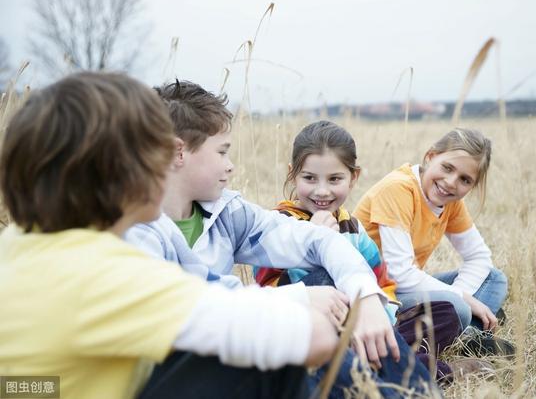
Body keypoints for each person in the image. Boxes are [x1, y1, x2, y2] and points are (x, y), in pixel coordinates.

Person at [0, 72, 339, 399]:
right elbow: (314, 337)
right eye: (155, 151)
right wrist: (301, 300)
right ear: (121, 173)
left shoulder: (18, 244)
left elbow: (22, 385)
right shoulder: (104, 274)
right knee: (268, 362)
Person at [124, 80, 432, 395]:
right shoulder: (134, 231)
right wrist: (297, 299)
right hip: (174, 375)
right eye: (222, 151)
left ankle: (415, 391)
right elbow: (188, 310)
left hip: (232, 356)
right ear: (178, 152)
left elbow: (318, 241)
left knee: (325, 279)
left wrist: (365, 297)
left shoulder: (225, 213)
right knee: (302, 310)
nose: (231, 166)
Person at [255, 120, 495, 385]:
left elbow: (381, 280)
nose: (322, 191)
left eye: (334, 179)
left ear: (353, 177)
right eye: (310, 178)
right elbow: (272, 289)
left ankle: (383, 350)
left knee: (446, 314)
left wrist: (384, 320)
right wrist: (310, 241)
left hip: (366, 324)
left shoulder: (351, 225)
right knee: (324, 280)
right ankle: (427, 370)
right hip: (314, 329)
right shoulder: (279, 224)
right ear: (293, 174)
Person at [353, 128, 514, 355]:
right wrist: (463, 298)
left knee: (494, 278)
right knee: (457, 306)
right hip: (377, 293)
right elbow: (399, 273)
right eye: (447, 168)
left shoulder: (451, 202)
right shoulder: (398, 189)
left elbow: (479, 257)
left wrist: (459, 293)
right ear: (431, 156)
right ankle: (469, 328)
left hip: (404, 287)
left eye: (465, 180)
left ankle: (468, 332)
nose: (450, 182)